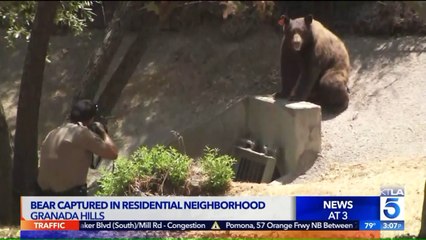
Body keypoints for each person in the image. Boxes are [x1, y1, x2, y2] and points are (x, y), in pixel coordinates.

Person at [36, 99, 118, 196]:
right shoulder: (82, 133)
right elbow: (113, 153)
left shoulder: (53, 132)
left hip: (42, 193)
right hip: (68, 196)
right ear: (90, 119)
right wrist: (102, 132)